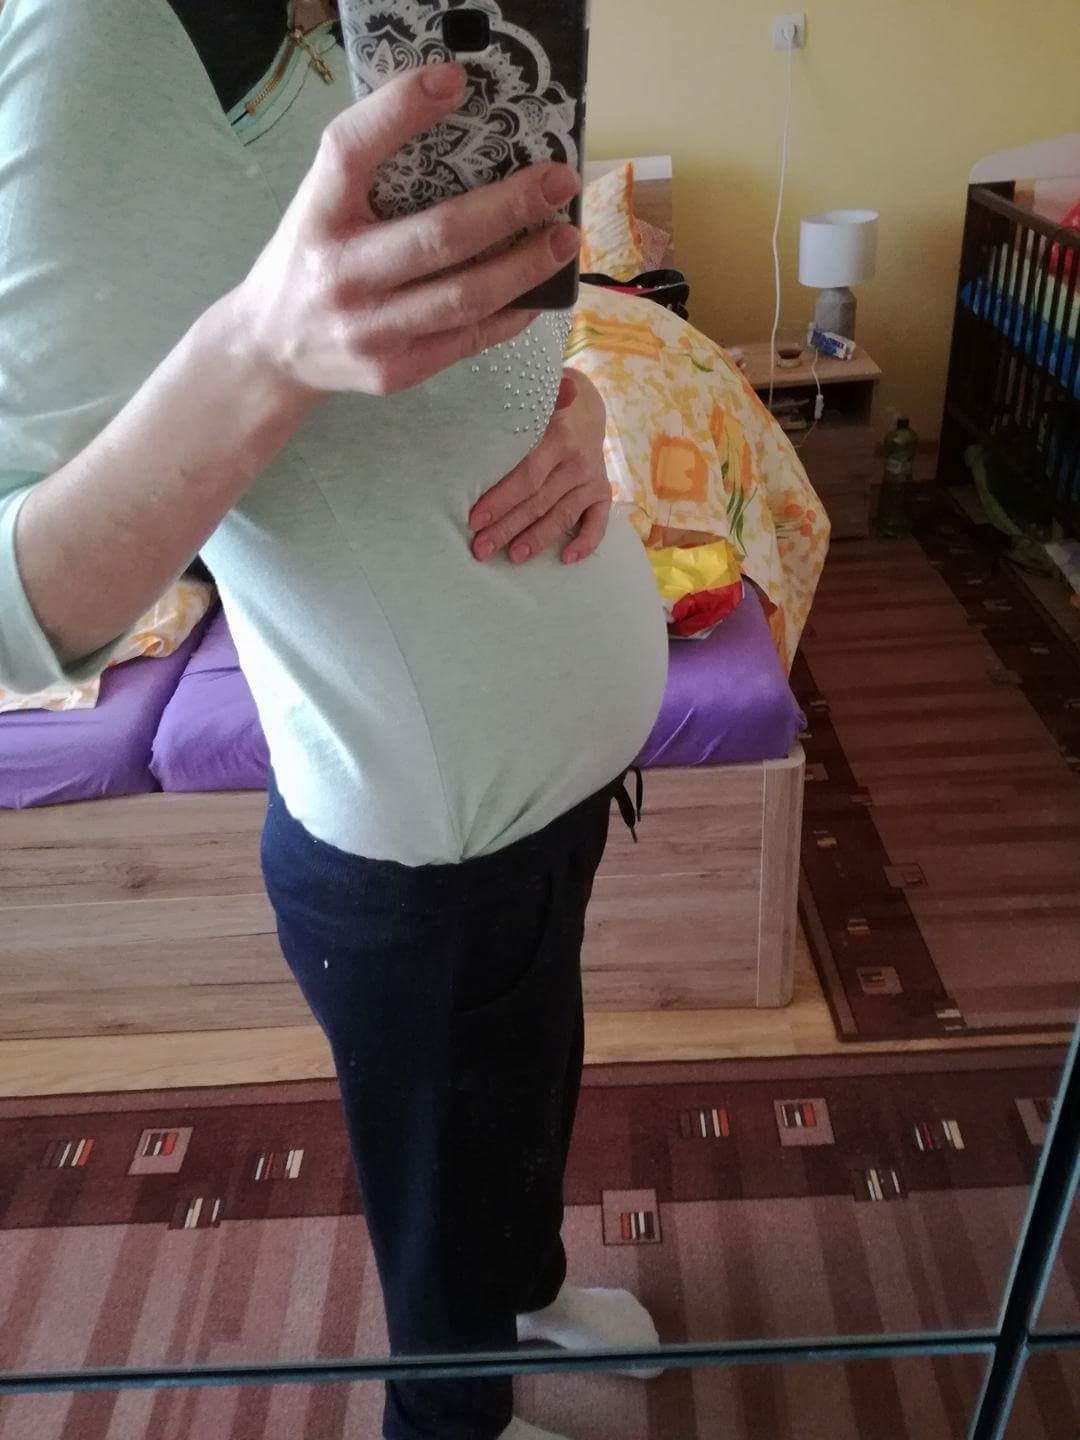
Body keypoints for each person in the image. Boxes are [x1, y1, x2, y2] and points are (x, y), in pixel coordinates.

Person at [0, 2, 670, 1436]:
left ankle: (529, 1298)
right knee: (436, 1202)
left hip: (552, 792)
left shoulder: (405, 21)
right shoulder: (93, 36)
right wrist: (269, 346)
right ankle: (454, 1419)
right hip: (410, 840)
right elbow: (15, 602)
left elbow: (464, 384)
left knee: (526, 1093)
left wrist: (580, 410)